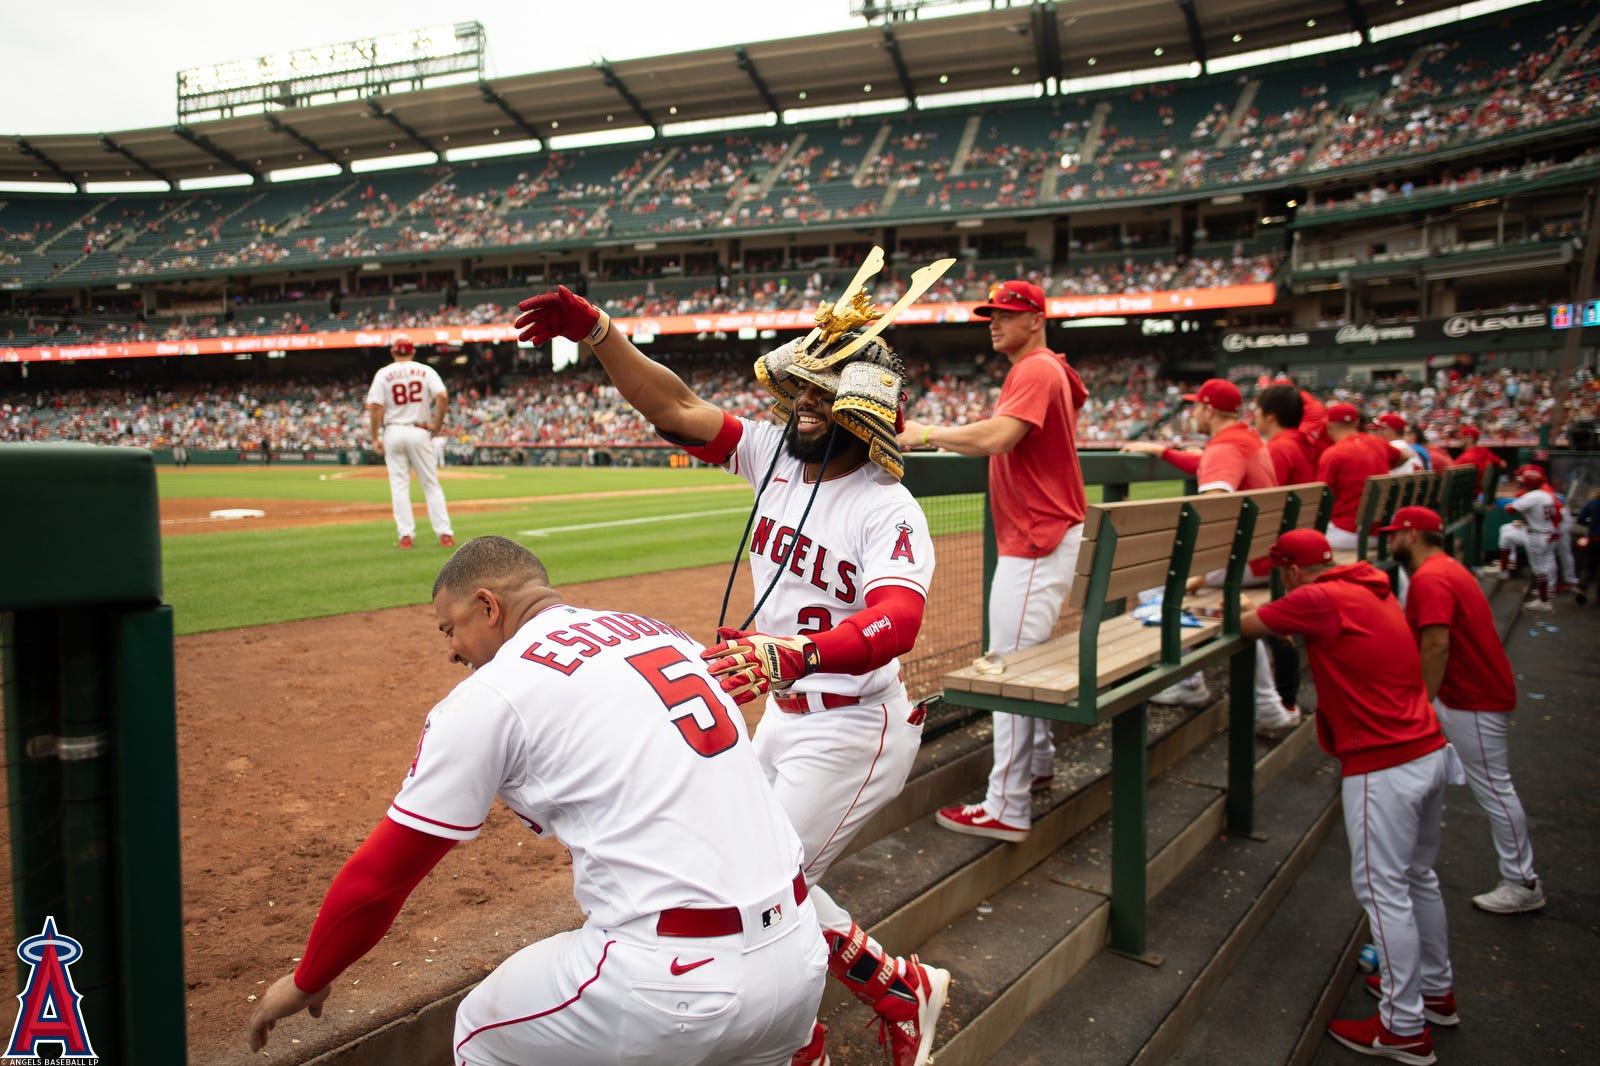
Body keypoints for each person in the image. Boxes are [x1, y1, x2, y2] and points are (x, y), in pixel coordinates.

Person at [515, 277, 949, 1066]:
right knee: (746, 872)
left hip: (855, 725)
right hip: (785, 713)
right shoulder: (772, 454)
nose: (800, 411)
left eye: (820, 399)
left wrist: (792, 653)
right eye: (797, 395)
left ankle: (812, 1038)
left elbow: (898, 621)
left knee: (760, 894)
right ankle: (896, 986)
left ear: (864, 410)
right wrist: (601, 331)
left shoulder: (887, 506)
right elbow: (675, 409)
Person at [246, 536, 827, 1065]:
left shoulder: (493, 695)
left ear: (488, 606)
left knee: (480, 1030)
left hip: (676, 984)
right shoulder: (660, 630)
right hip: (801, 961)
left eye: (449, 628)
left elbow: (383, 875)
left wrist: (310, 978)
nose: (451, 651)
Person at [1241, 529, 1458, 1064]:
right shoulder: (1369, 587)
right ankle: (1435, 991)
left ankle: (1404, 1027)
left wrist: (1255, 607)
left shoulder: (1318, 596)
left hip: (1385, 762)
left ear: (1290, 570)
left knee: (1384, 893)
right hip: (1427, 747)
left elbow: (1244, 626)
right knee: (1417, 879)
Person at [898, 280, 1089, 845]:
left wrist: (926, 433)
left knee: (1006, 673)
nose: (993, 322)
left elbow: (1002, 437)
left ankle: (1007, 806)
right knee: (1021, 666)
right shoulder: (1052, 367)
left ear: (1036, 319)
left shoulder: (1034, 368)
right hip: (1050, 534)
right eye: (991, 314)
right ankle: (1037, 764)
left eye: (1006, 313)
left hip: (1037, 538)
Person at [1383, 506, 1544, 914]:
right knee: (1449, 781)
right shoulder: (1447, 568)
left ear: (1412, 535)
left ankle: (1522, 881)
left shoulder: (1433, 577)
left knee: (1494, 788)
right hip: (1467, 691)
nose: (1389, 542)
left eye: (1394, 535)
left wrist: (1419, 702)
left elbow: (1437, 644)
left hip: (1473, 696)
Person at [1121, 378, 1298, 732]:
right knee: (1208, 600)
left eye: (1196, 406)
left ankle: (1191, 684)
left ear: (1209, 410)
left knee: (1155, 586)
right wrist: (1164, 451)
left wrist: (1199, 573)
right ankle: (1264, 703)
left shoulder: (1224, 447)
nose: (1193, 412)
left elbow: (1216, 505)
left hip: (1247, 564)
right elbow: (1208, 463)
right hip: (1268, 558)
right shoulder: (1246, 439)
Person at [366, 334, 455, 550]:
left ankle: (406, 536)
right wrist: (438, 424)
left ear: (393, 352)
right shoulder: (425, 370)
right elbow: (442, 396)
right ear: (413, 352)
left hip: (394, 431)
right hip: (419, 430)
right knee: (431, 485)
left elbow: (375, 407)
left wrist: (375, 437)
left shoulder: (384, 373)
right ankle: (445, 535)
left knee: (399, 486)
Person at [1316, 403, 1392, 552]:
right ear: (1356, 423)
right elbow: (1404, 456)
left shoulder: (1333, 454)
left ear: (1329, 426)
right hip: (1382, 531)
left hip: (1348, 534)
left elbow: (1321, 500)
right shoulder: (1377, 443)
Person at [1504, 465, 1560, 611]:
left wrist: (1512, 503)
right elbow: (1553, 515)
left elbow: (1510, 510)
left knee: (1539, 569)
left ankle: (1544, 601)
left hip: (1538, 535)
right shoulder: (1546, 494)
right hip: (1547, 533)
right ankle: (1546, 596)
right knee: (1545, 567)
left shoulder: (1532, 496)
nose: (1521, 482)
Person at [1255, 383, 1317, 487]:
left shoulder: (1277, 449)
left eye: (1258, 408)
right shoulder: (1299, 441)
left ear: (1271, 416)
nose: (1255, 413)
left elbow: (1265, 498)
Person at [1451, 426, 1504, 498]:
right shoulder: (1483, 451)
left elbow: (1448, 475)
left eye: (1461, 438)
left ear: (1470, 439)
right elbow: (1503, 464)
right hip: (1478, 493)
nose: (1458, 440)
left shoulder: (1465, 457)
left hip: (1467, 497)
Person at [1576, 487, 1600, 606]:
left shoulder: (1592, 503)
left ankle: (1582, 590)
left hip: (1594, 540)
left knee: (1589, 566)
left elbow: (1580, 519)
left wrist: (1591, 524)